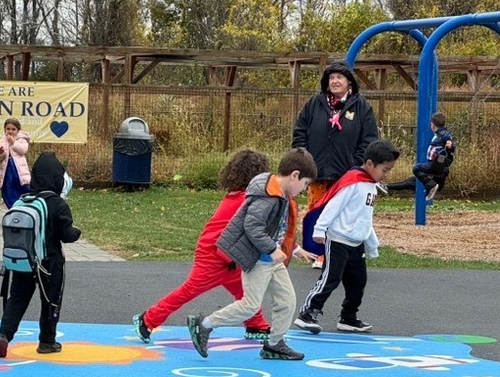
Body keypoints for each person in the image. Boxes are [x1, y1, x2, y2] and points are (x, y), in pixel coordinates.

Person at [131, 149, 280, 344]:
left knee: (244, 292)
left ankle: (256, 324)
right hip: (215, 254)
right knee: (191, 289)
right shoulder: (245, 200)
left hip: (228, 255)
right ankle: (148, 319)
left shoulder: (239, 197)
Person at [186, 148, 318, 361]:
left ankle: (274, 344)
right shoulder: (267, 196)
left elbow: (277, 227)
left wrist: (293, 248)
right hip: (258, 258)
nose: (304, 189)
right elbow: (252, 226)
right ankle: (204, 324)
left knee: (287, 301)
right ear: (294, 175)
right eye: (305, 184)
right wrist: (272, 249)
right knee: (250, 305)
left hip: (271, 259)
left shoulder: (281, 193)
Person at [293, 139, 400, 335]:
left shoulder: (370, 186)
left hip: (356, 244)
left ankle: (348, 317)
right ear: (370, 164)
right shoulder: (352, 182)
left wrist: (371, 244)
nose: (386, 174)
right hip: (338, 240)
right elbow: (333, 206)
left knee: (358, 282)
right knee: (330, 278)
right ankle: (308, 312)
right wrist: (320, 229)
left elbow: (365, 218)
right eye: (384, 170)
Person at [0, 152, 81, 358]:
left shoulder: (24, 200)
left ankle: (3, 335)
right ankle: (47, 342)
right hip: (49, 262)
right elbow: (67, 235)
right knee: (50, 300)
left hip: (25, 260)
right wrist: (77, 232)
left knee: (17, 298)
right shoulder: (58, 204)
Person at [292, 61, 379, 269]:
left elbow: (369, 140)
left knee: (345, 215)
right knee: (317, 213)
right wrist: (304, 158)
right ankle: (319, 255)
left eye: (340, 77)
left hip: (347, 175)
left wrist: (355, 165)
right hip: (318, 172)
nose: (335, 81)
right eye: (331, 78)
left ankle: (346, 255)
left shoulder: (362, 107)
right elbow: (300, 131)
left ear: (349, 82)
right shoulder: (315, 103)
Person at [386, 112, 455, 201]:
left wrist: (450, 145)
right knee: (409, 182)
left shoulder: (443, 134)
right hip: (435, 171)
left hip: (436, 172)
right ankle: (387, 186)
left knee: (415, 172)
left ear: (433, 125)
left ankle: (430, 186)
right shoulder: (439, 134)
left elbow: (449, 142)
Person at [0, 117, 32, 208]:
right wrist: (1, 153)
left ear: (18, 130)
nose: (10, 131)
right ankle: (12, 207)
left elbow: (23, 150)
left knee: (23, 187)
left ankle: (24, 206)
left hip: (19, 169)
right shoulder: (2, 141)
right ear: (5, 129)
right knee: (8, 188)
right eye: (8, 129)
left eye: (13, 129)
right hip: (7, 169)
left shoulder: (22, 139)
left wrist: (13, 142)